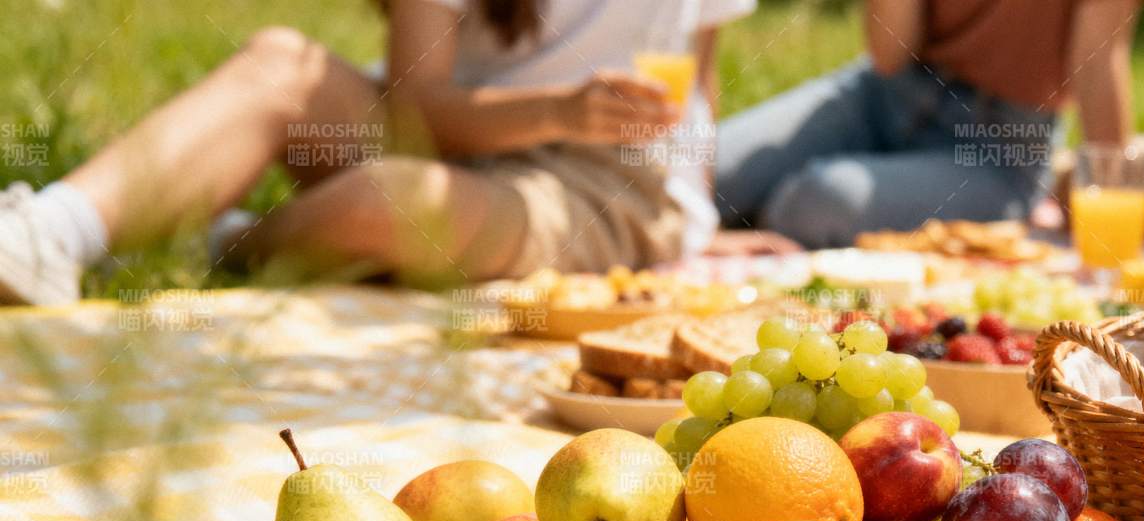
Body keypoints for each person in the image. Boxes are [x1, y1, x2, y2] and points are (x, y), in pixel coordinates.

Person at [0, 0, 752, 307]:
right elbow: (416, 110)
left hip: (595, 180)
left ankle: (218, 244)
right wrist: (558, 107)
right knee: (280, 65)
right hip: (449, 128)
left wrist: (700, 220)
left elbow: (700, 81)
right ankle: (52, 233)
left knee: (390, 200)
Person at [714, 0, 1142, 249]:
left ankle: (751, 228)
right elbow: (888, 56)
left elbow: (1098, 60)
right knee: (709, 176)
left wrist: (1114, 199)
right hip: (884, 93)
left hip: (999, 145)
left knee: (813, 202)